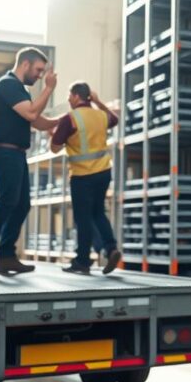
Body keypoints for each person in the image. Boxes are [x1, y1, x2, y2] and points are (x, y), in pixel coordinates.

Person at [0, 47, 60, 274]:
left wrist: (65, 122)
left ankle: (6, 255)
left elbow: (38, 121)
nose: (40, 75)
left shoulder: (19, 90)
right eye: (38, 70)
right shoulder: (7, 84)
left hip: (15, 154)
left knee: (21, 204)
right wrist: (48, 88)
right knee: (8, 201)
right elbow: (31, 114)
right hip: (4, 152)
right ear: (25, 64)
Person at [49, 81, 122, 275]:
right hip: (103, 172)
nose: (68, 100)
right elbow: (115, 119)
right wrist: (99, 101)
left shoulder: (69, 119)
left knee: (83, 219)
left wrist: (54, 135)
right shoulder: (100, 115)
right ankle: (111, 248)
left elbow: (54, 148)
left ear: (75, 96)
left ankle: (82, 261)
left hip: (82, 175)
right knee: (98, 212)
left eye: (69, 96)